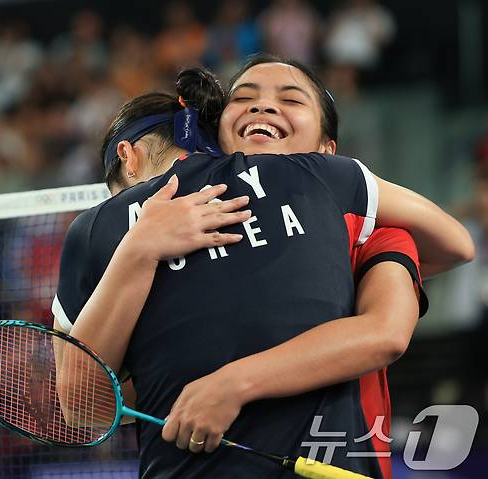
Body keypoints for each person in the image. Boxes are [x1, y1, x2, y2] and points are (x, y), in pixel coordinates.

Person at [52, 61, 472, 478]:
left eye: (289, 99)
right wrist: (139, 251)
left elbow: (384, 332)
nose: (262, 108)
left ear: (328, 149)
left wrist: (226, 384)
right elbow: (86, 404)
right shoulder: (324, 179)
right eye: (244, 98)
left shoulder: (370, 226)